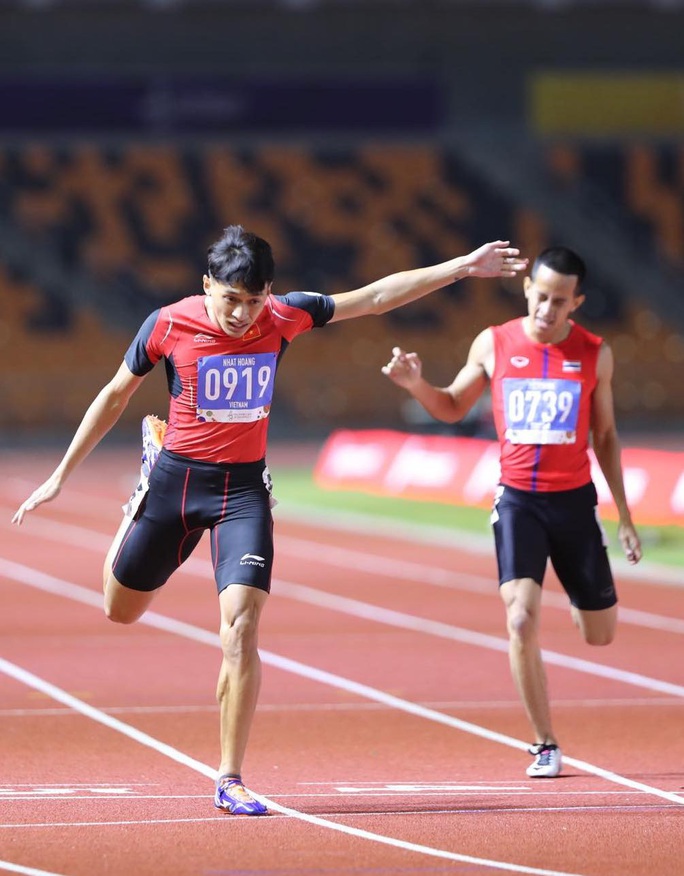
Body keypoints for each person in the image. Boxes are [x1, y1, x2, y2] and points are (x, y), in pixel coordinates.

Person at [12, 224, 527, 814]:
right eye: (230, 300)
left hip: (243, 492)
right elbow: (113, 395)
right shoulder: (167, 324)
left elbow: (377, 295)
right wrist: (59, 476)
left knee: (242, 628)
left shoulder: (285, 316)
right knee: (119, 609)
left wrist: (461, 264)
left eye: (253, 302)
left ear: (269, 294)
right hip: (174, 484)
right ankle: (139, 497)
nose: (241, 314)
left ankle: (230, 778)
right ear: (207, 286)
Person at [382, 246, 642, 779]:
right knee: (520, 615)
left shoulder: (595, 353)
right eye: (541, 296)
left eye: (560, 302)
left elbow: (607, 435)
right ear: (527, 290)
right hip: (518, 499)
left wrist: (626, 516)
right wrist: (416, 386)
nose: (548, 309)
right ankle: (545, 742)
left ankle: (579, 590)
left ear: (577, 303)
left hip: (574, 502)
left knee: (600, 634)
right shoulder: (495, 343)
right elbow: (453, 405)